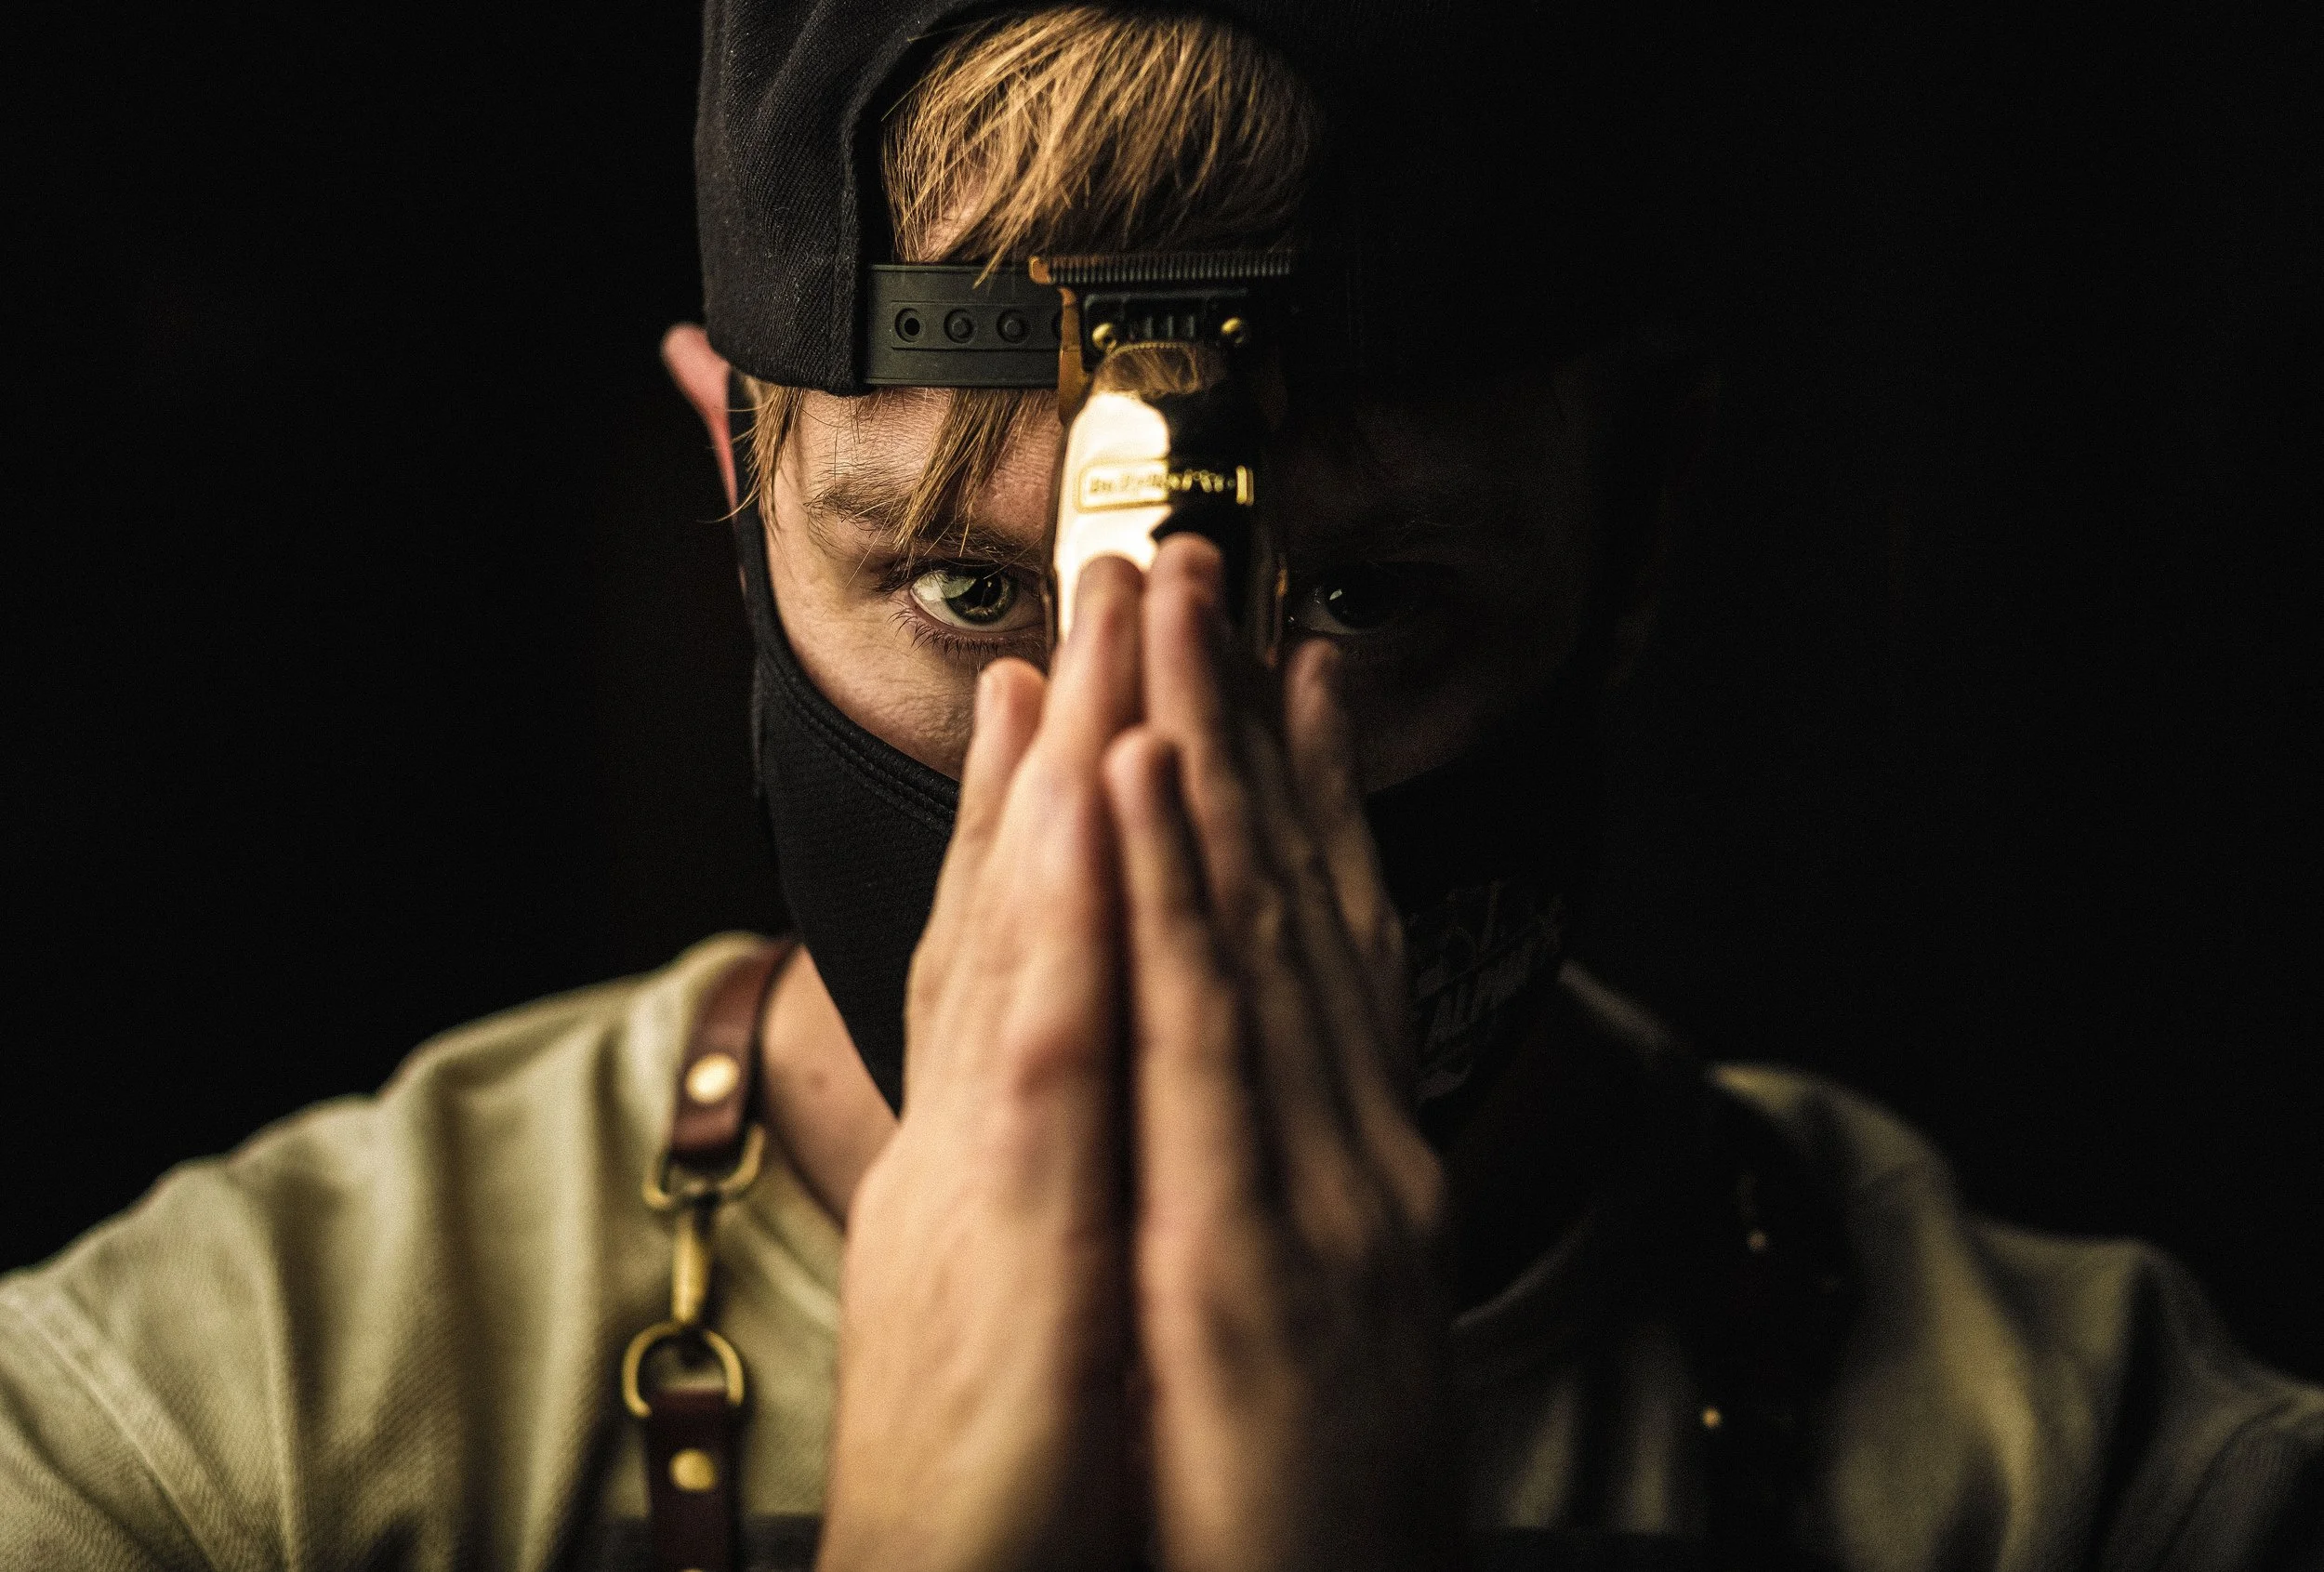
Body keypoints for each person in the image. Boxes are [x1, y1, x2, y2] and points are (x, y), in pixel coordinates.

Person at [3, 5, 2317, 1571]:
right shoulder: (219, 1433)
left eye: (1359, 598)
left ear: (1642, 530)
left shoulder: (2109, 1481)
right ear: (737, 480)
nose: (1146, 762)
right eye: (960, 591)